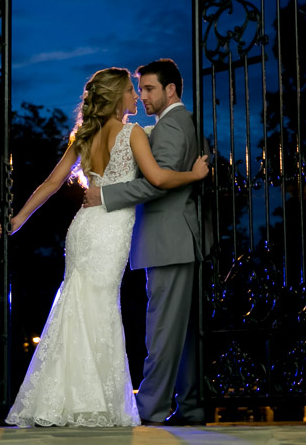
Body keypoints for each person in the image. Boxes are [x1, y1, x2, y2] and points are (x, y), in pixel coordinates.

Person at [4, 66, 208, 428]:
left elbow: (51, 183)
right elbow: (159, 178)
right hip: (110, 230)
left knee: (76, 305)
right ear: (118, 98)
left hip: (82, 230)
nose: (137, 96)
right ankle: (92, 401)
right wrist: (194, 175)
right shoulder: (132, 134)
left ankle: (60, 397)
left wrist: (19, 219)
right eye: (132, 90)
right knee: (99, 309)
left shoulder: (84, 135)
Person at [83, 58, 209, 426]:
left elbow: (158, 182)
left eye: (150, 88)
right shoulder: (173, 124)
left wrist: (105, 196)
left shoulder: (171, 125)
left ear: (171, 90)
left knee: (163, 330)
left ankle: (151, 409)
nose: (143, 96)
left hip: (169, 240)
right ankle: (191, 406)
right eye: (140, 89)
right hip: (178, 240)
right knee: (183, 332)